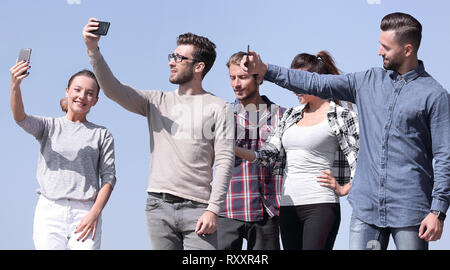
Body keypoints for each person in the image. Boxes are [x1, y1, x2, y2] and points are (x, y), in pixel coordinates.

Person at [242, 12, 450, 250]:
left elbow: (445, 158)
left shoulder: (435, 96)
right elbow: (315, 83)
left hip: (410, 210)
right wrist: (266, 70)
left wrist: (438, 211)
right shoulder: (367, 81)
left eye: (385, 47)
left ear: (407, 50)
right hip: (366, 209)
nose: (379, 51)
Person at [82, 18, 234, 250]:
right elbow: (113, 89)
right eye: (171, 56)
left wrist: (214, 209)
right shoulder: (156, 101)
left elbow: (225, 161)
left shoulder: (219, 107)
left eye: (179, 58)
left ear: (198, 67)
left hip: (199, 210)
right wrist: (93, 49)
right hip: (158, 207)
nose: (172, 62)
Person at [235, 51, 359, 250]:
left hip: (321, 203)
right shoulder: (291, 115)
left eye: (298, 83)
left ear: (313, 81)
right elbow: (266, 156)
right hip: (288, 205)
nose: (293, 89)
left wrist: (346, 188)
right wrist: (233, 149)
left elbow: (363, 158)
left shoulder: (341, 115)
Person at [10, 62, 116, 250]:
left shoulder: (102, 134)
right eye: (77, 90)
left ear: (95, 101)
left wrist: (95, 213)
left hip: (86, 211)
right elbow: (20, 118)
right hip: (50, 209)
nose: (82, 96)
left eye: (89, 93)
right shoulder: (49, 126)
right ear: (67, 91)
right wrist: (15, 86)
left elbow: (108, 178)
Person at [218, 51, 286, 250]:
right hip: (227, 209)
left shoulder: (281, 116)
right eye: (232, 78)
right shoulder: (222, 115)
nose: (236, 84)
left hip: (268, 212)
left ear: (259, 78)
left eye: (243, 77)